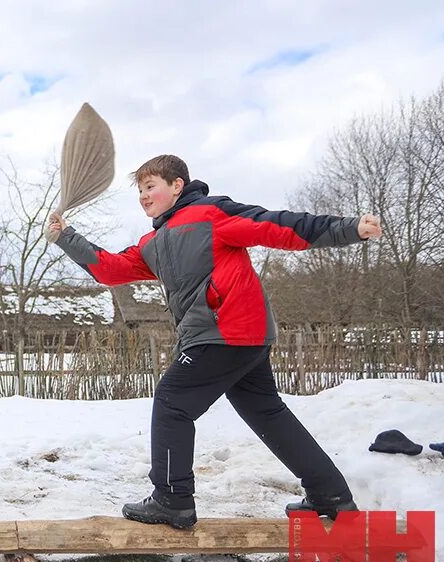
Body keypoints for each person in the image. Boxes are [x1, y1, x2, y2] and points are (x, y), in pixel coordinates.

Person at [48, 154, 381, 529]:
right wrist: (66, 236)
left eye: (150, 186)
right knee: (267, 412)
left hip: (224, 332)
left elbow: (275, 225)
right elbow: (110, 269)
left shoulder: (210, 215)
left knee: (173, 402)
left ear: (177, 185)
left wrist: (349, 229)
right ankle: (330, 495)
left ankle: (172, 498)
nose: (143, 196)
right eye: (139, 190)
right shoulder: (154, 242)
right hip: (239, 337)